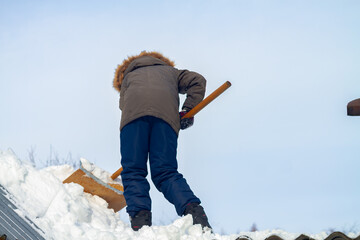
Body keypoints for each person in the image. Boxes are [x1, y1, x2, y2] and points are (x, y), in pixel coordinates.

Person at [113, 51, 212, 231]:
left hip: (133, 121)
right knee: (165, 172)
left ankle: (140, 222)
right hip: (166, 120)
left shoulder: (127, 78)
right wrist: (188, 109)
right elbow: (198, 81)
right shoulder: (171, 73)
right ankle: (195, 213)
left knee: (134, 170)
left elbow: (124, 106)